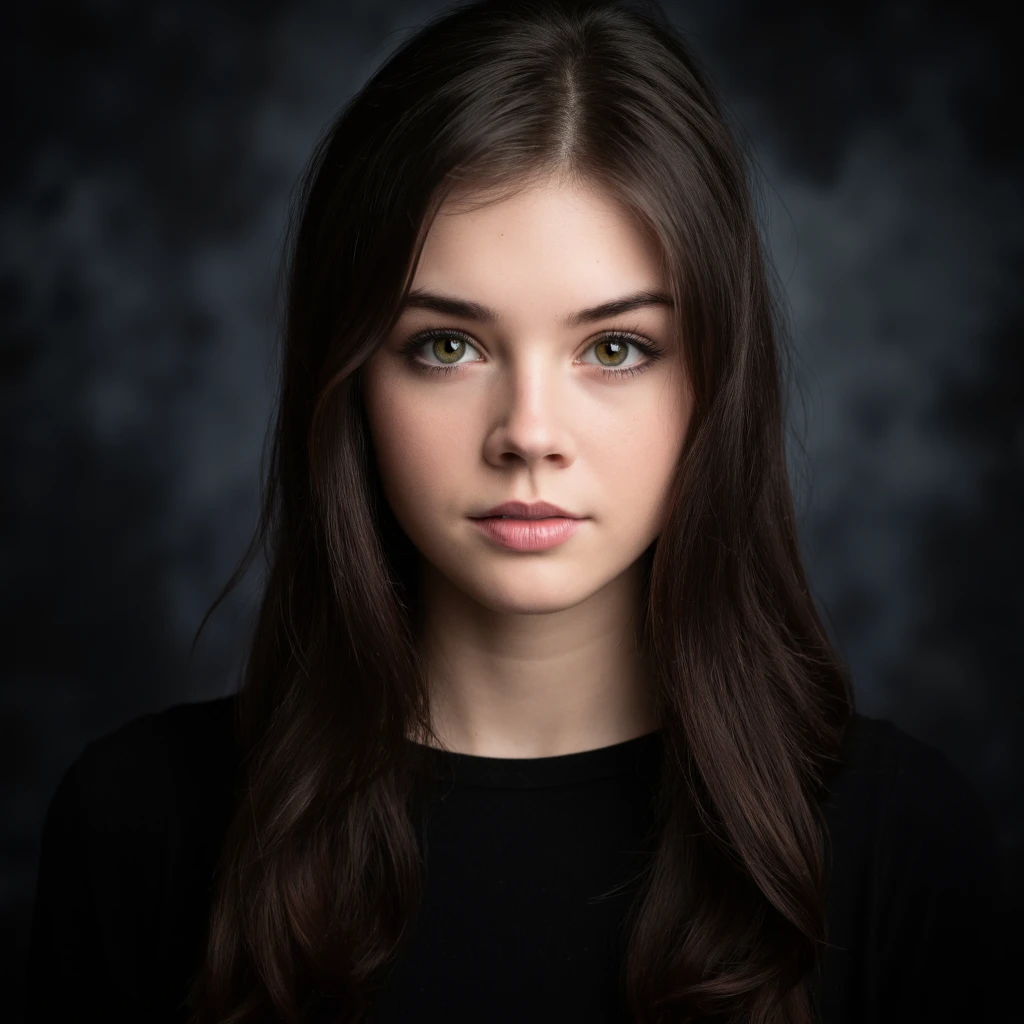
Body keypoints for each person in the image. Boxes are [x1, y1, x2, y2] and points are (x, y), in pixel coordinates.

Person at [25, 1, 1000, 1022]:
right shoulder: (141, 825)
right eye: (447, 345)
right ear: (348, 377)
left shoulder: (903, 842)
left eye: (614, 348)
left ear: (714, 380)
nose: (529, 432)